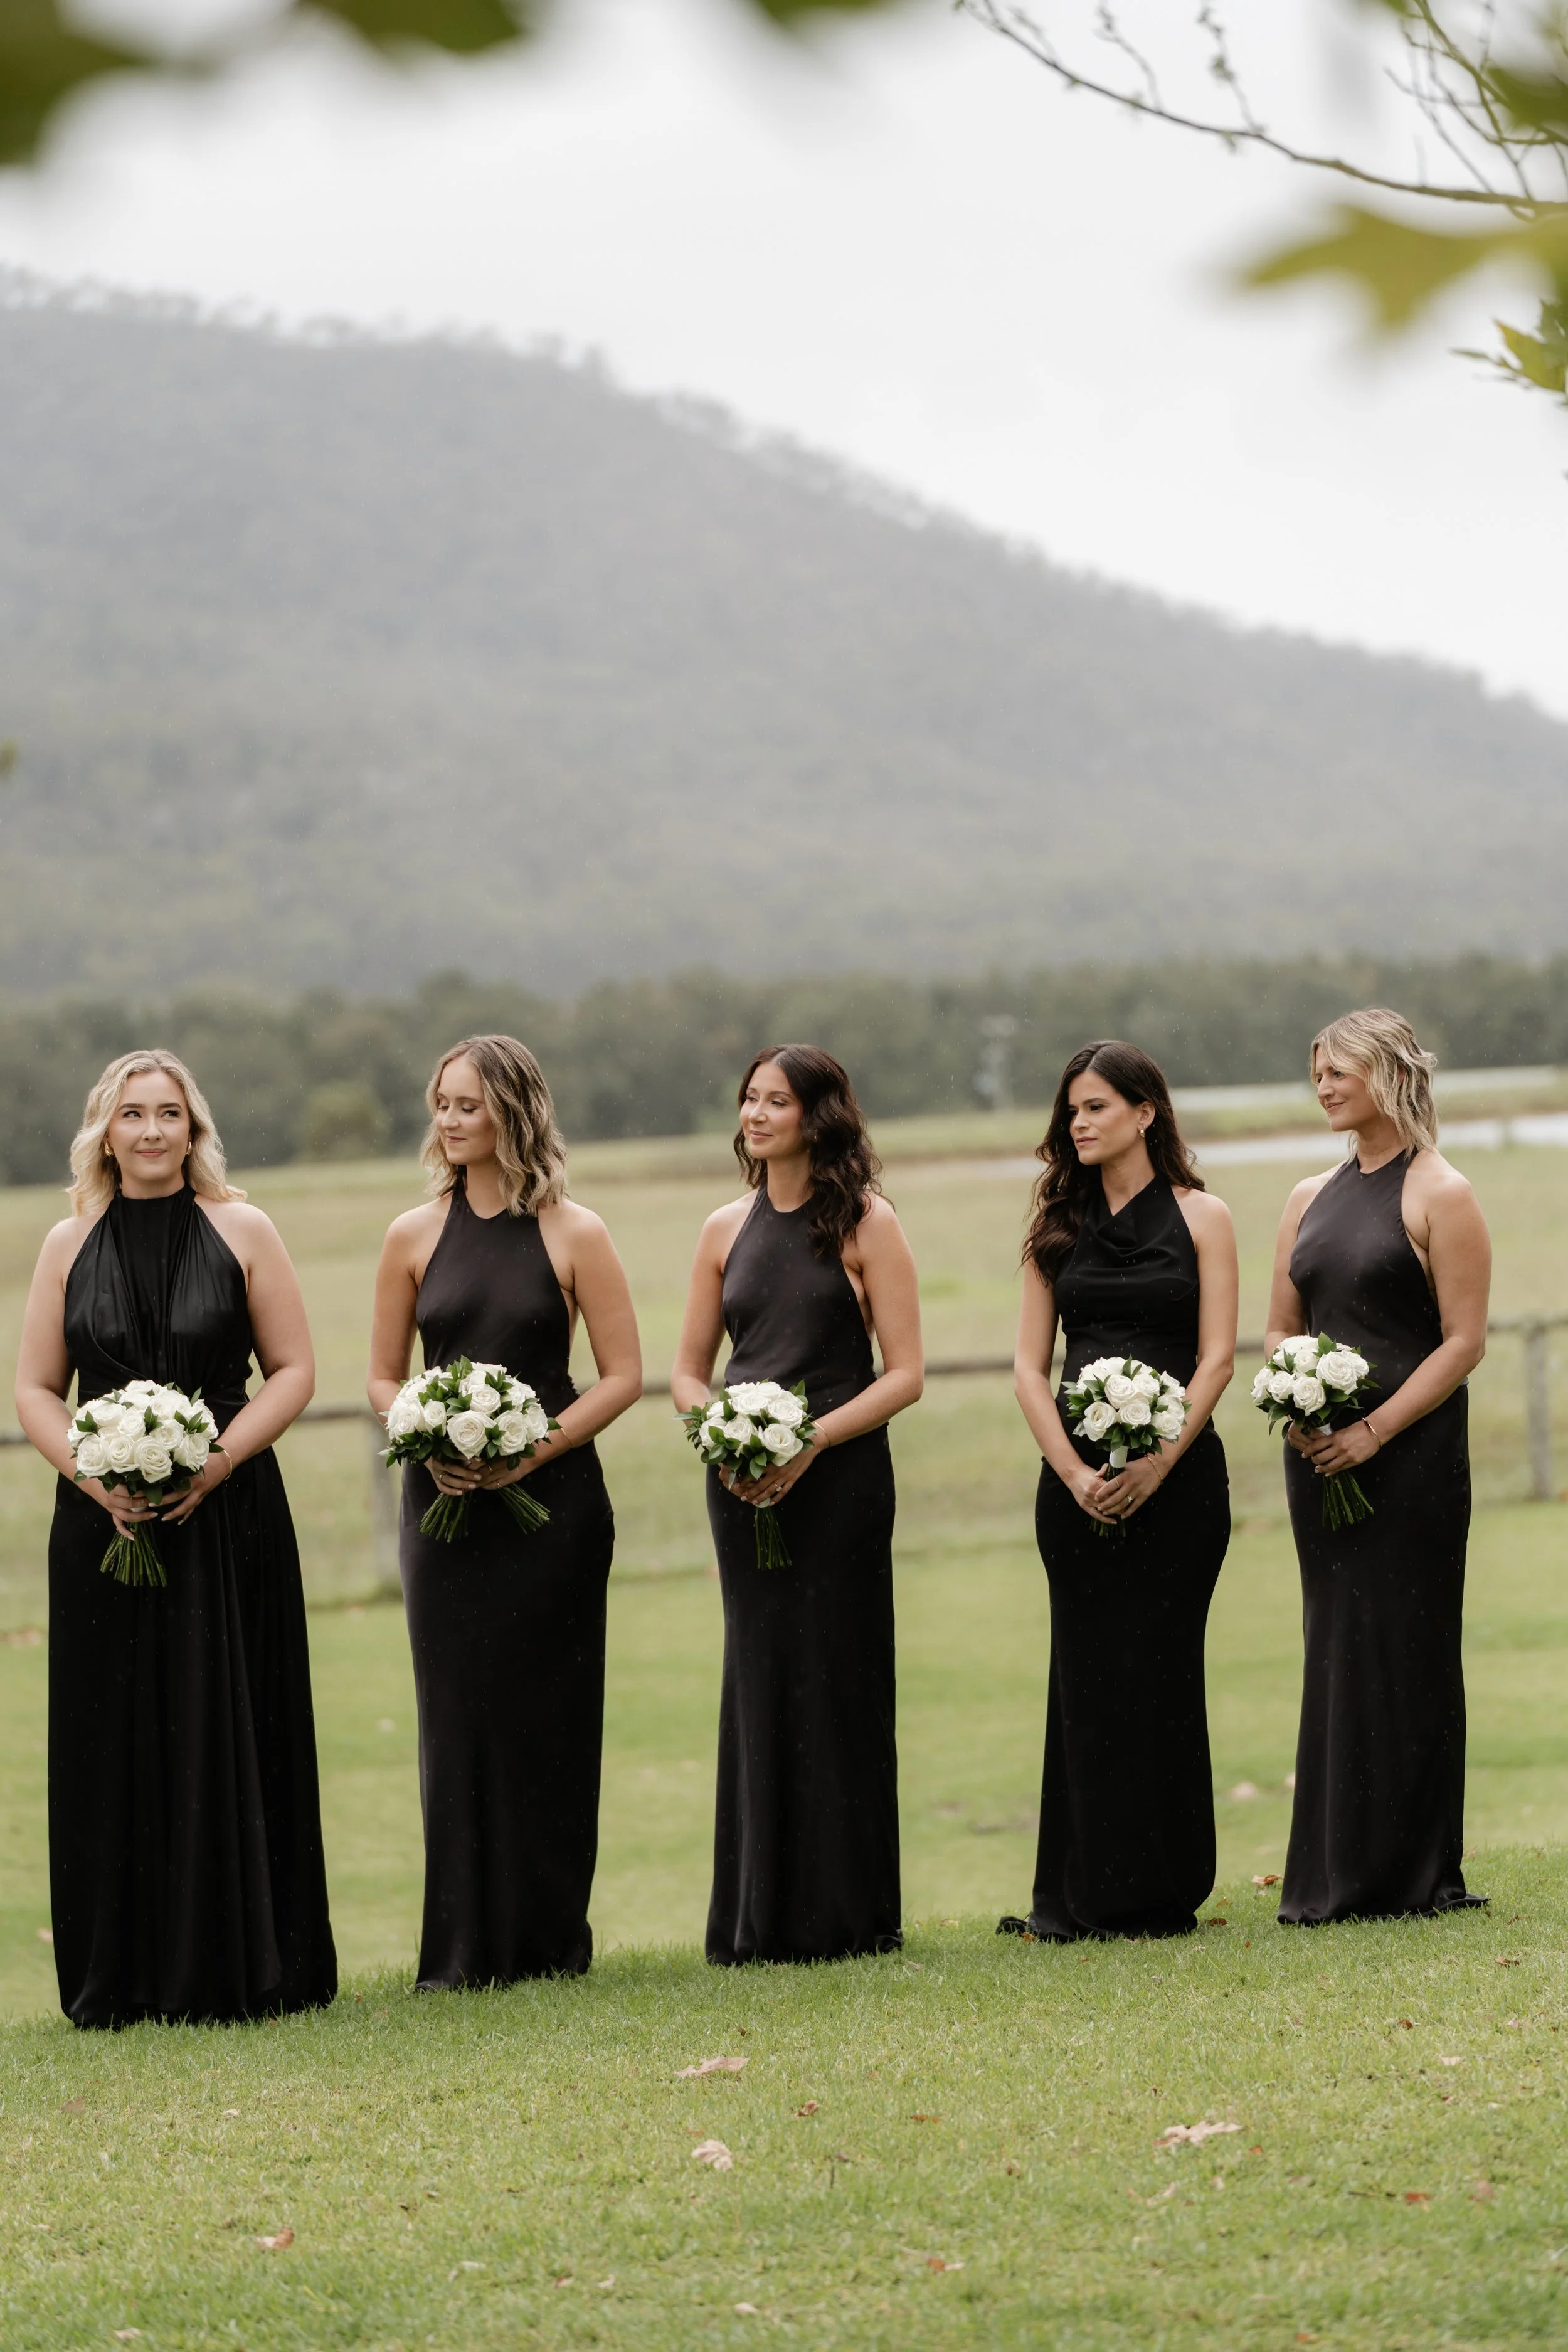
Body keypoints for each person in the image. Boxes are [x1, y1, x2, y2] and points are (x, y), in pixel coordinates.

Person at [14, 1050, 336, 2028]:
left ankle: (247, 1964)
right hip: (100, 1519)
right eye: (132, 1115)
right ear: (103, 1131)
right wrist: (92, 1475)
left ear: (194, 1130)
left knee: (228, 1722)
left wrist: (217, 1464)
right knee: (116, 1735)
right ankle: (126, 1976)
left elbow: (292, 1370)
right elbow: (33, 1388)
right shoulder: (66, 1243)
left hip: (227, 1515)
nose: (152, 1132)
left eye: (169, 1115)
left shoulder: (245, 1227)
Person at [368, 1035, 641, 1986]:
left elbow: (624, 1376)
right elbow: (379, 1372)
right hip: (441, 1509)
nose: (448, 1120)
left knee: (551, 1715)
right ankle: (460, 1950)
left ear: (513, 1114)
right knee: (456, 1718)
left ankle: (549, 1938)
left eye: (468, 1105)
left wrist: (534, 1447)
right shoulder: (410, 1234)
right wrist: (423, 1434)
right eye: (441, 1103)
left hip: (553, 1509)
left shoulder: (576, 1232)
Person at [671, 1045, 923, 1965]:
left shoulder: (867, 1221)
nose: (756, 1113)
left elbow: (905, 1375)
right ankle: (759, 1918)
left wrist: (810, 1439)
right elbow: (687, 1374)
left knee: (839, 1680)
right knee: (762, 1678)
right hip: (740, 1482)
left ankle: (850, 1914)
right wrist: (728, 1433)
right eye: (748, 1098)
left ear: (819, 1115)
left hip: (842, 1480)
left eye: (776, 1100)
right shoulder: (722, 1228)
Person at [1000, 1041, 1237, 1942]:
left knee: (1164, 1670)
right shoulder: (1054, 1226)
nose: (1080, 1123)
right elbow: (1028, 1368)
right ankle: (1082, 1892)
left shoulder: (1204, 1215)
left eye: (1097, 1105)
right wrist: (1071, 1471)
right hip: (1076, 1484)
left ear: (1146, 1111)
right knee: (1088, 1676)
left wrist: (1161, 1460)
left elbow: (1217, 1356)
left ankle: (1164, 1886)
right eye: (1071, 1111)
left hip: (1179, 1485)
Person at [1267, 1008, 1491, 1925]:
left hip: (1414, 1461)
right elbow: (1281, 1325)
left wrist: (1376, 1431)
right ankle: (1331, 1871)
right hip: (1316, 1461)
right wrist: (1297, 1404)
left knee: (1408, 1649)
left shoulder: (1444, 1193)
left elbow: (1464, 1342)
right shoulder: (1305, 1196)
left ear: (1389, 1073)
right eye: (1315, 1071)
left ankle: (1411, 1872)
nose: (1322, 1085)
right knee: (1337, 1646)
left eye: (1338, 1071)